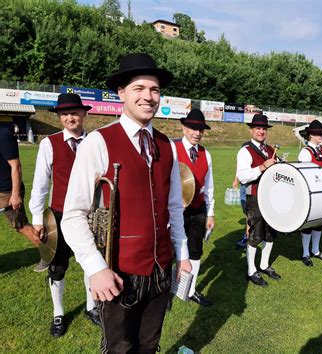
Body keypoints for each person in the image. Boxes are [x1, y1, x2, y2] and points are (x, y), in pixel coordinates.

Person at [61, 53, 191, 353]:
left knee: (150, 344)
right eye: (139, 89)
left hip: (160, 268)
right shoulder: (98, 141)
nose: (148, 97)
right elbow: (73, 215)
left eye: (155, 90)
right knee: (119, 347)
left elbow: (174, 207)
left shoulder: (166, 144)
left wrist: (182, 253)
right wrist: (95, 268)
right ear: (122, 93)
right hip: (119, 272)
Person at [28, 93, 99, 337]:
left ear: (84, 114)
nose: (70, 117)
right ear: (59, 117)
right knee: (57, 267)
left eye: (75, 112)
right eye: (65, 113)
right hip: (58, 215)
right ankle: (58, 313)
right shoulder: (50, 143)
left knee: (92, 264)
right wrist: (38, 218)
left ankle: (92, 307)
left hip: (92, 214)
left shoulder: (96, 141)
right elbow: (40, 184)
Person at [175, 108, 215, 306]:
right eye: (192, 128)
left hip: (198, 210)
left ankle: (189, 291)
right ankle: (167, 291)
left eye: (200, 129)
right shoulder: (172, 149)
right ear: (184, 127)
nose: (197, 133)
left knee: (195, 251)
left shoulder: (206, 154)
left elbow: (209, 186)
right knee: (170, 251)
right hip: (174, 211)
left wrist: (211, 213)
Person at [236, 114, 279, 287]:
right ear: (251, 130)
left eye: (264, 128)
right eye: (258, 128)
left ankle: (264, 264)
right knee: (256, 234)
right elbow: (242, 176)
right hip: (254, 196)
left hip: (271, 196)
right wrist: (262, 167)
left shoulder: (269, 149)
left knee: (270, 232)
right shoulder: (245, 151)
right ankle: (251, 270)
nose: (261, 131)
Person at [298, 120, 322, 267]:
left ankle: (315, 250)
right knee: (309, 223)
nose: (321, 136)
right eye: (318, 133)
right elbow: (303, 175)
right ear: (310, 135)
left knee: (320, 221)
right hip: (313, 192)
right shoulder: (305, 152)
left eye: (321, 133)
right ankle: (305, 253)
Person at [0, 127, 40, 245]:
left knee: (21, 225)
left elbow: (16, 165)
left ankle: (51, 253)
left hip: (7, 191)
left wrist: (15, 194)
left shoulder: (3, 134)